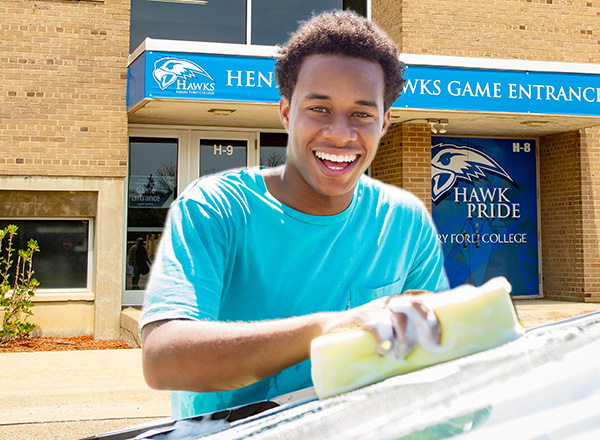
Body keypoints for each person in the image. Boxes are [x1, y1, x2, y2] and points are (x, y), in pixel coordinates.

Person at [141, 10, 449, 419]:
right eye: (319, 109)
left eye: (362, 113)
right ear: (286, 112)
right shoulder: (214, 208)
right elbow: (163, 359)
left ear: (385, 122)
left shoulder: (405, 221)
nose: (340, 133)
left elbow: (438, 351)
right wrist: (327, 329)